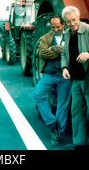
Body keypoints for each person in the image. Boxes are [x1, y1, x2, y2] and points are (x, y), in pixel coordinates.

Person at [61, 6, 89, 150]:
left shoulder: (88, 29)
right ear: (65, 22)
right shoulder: (67, 33)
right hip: (75, 80)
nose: (72, 23)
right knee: (77, 112)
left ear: (78, 18)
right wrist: (64, 67)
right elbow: (64, 54)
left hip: (88, 78)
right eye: (68, 21)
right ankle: (79, 143)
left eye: (74, 20)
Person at [33, 15, 71, 146]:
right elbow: (42, 53)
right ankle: (51, 121)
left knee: (63, 104)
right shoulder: (46, 37)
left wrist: (53, 49)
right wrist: (62, 51)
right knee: (38, 94)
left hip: (66, 75)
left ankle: (58, 132)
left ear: (63, 24)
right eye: (53, 27)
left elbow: (71, 52)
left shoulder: (70, 36)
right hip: (50, 74)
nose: (55, 29)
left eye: (58, 27)